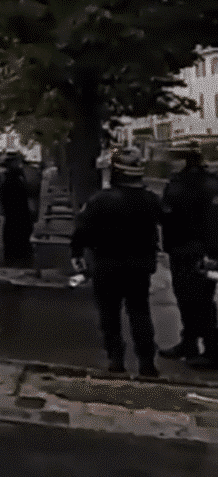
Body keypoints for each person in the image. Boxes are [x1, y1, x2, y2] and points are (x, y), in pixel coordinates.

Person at [72, 147, 165, 377]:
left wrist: (77, 255)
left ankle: (116, 360)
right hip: (139, 266)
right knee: (140, 312)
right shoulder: (151, 200)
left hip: (106, 265)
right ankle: (146, 363)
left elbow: (81, 231)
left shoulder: (99, 200)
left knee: (109, 315)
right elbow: (167, 225)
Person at [159, 140, 218, 366]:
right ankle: (191, 343)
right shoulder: (210, 182)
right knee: (196, 300)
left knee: (195, 301)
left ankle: (210, 350)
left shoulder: (183, 185)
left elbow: (169, 216)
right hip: (201, 251)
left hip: (188, 250)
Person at [0, 154, 35, 262]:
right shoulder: (14, 179)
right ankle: (18, 253)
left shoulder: (9, 178)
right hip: (17, 212)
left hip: (14, 213)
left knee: (13, 233)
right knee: (17, 233)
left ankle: (15, 253)